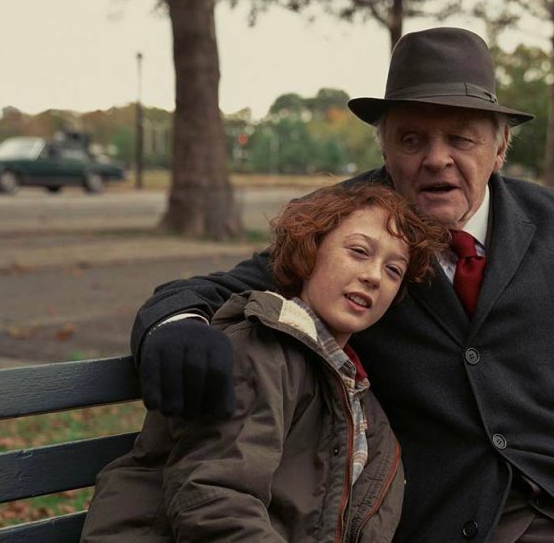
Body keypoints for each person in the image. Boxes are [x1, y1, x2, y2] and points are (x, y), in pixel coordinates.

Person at [129, 27, 554, 542]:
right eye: (411, 139)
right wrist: (177, 324)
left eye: (461, 139)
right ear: (384, 147)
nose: (436, 159)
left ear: (500, 147)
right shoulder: (343, 227)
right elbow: (213, 289)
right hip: (452, 518)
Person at [82, 184, 447, 542]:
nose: (374, 276)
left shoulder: (358, 398)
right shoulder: (261, 351)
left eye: (393, 270)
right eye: (359, 251)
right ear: (310, 251)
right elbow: (215, 502)